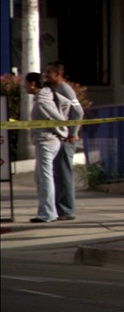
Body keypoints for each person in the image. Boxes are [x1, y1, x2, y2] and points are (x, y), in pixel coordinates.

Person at [25, 73, 71, 223]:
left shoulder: (42, 102)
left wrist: (61, 132)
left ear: (33, 84)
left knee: (45, 178)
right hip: (46, 141)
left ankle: (48, 214)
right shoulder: (43, 98)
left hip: (46, 142)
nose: (24, 87)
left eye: (26, 83)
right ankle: (47, 212)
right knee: (40, 178)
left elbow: (56, 119)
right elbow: (64, 106)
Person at [46, 60, 85, 221]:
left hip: (66, 139)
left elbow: (78, 111)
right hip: (59, 137)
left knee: (64, 174)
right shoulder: (54, 89)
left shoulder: (64, 89)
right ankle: (60, 209)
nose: (46, 75)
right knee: (58, 175)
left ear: (57, 74)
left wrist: (73, 132)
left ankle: (67, 210)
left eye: (49, 73)